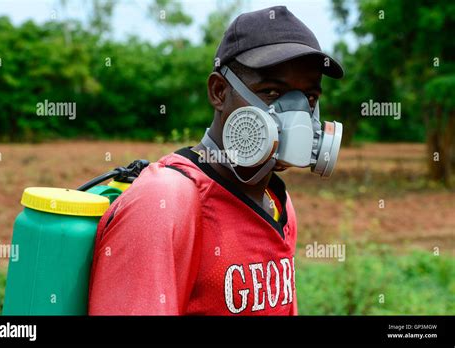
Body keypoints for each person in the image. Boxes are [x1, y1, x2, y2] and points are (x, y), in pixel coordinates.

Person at [88, 5, 343, 315]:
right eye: (273, 92)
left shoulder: (278, 203)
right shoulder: (165, 202)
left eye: (309, 98)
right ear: (219, 91)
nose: (297, 114)